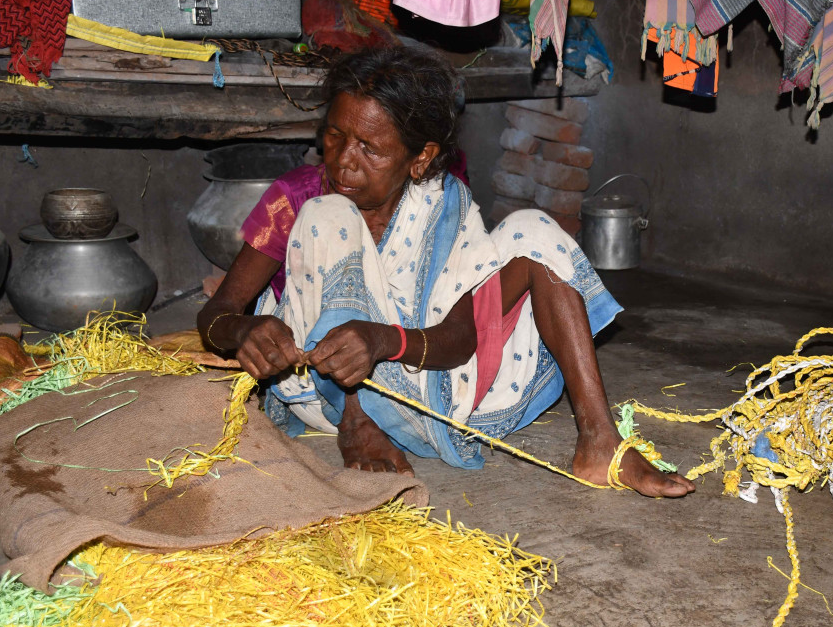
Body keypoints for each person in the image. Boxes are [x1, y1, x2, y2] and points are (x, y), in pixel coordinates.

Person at [197, 45, 694, 498]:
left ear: (421, 159)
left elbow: (460, 337)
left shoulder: (442, 204)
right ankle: (360, 419)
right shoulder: (300, 198)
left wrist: (382, 341)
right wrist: (245, 329)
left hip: (441, 389)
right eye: (333, 135)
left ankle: (600, 441)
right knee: (330, 213)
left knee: (534, 228)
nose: (344, 161)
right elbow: (217, 313)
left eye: (370, 149)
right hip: (321, 393)